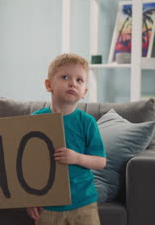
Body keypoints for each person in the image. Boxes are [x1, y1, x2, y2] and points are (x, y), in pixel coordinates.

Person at [26, 53, 106, 225]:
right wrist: (30, 198)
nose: (73, 83)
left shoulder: (87, 122)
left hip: (84, 203)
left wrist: (77, 158)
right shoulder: (35, 120)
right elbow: (28, 165)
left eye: (79, 80)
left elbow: (100, 162)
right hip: (47, 206)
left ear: (84, 92)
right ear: (49, 85)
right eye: (65, 77)